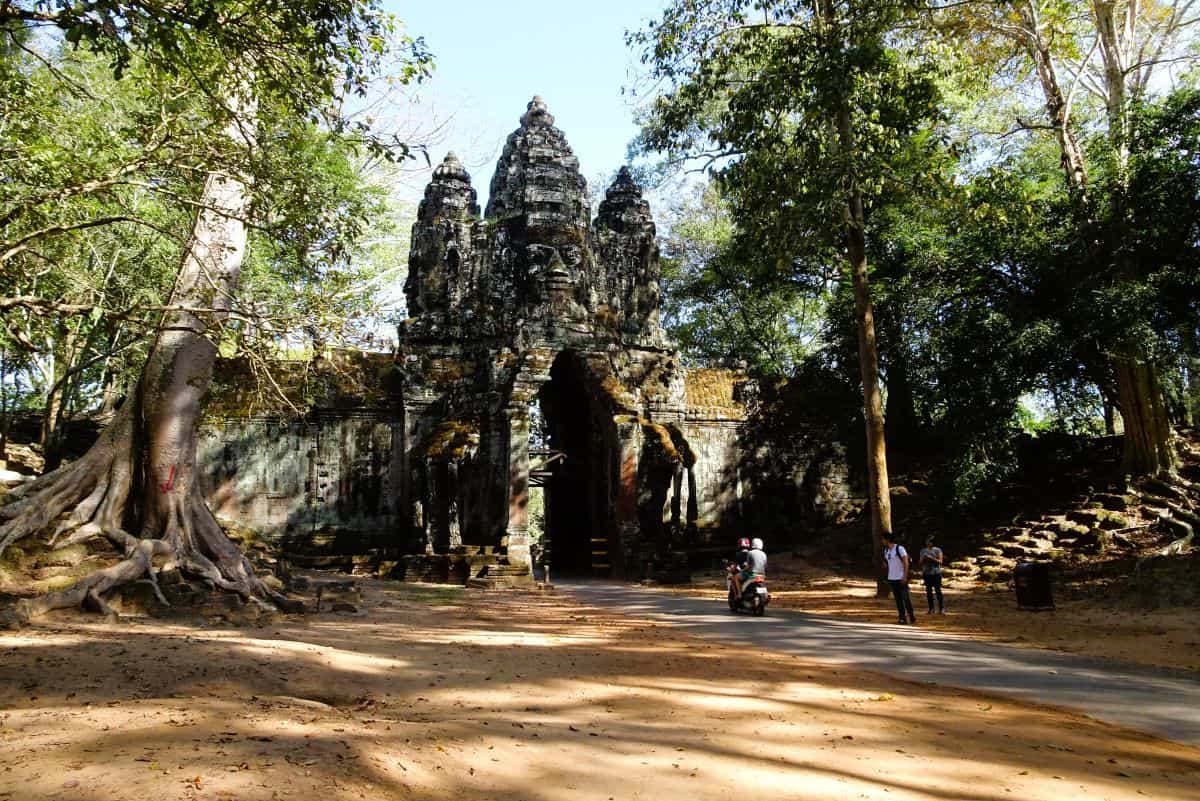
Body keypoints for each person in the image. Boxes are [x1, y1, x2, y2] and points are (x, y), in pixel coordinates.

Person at [882, 532, 916, 624]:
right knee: (898, 599)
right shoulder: (886, 550)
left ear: (887, 539)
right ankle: (902, 617)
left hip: (900, 577)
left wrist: (904, 576)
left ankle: (911, 615)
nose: (882, 541)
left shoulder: (899, 548)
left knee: (905, 598)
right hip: (892, 578)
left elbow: (906, 562)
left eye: (883, 539)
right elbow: (888, 562)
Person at [918, 535, 945, 614]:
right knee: (928, 591)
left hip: (936, 572)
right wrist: (924, 559)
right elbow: (920, 562)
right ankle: (931, 608)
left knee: (938, 590)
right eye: (927, 541)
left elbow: (940, 562)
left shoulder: (938, 550)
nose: (927, 543)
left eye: (929, 541)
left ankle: (941, 608)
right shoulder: (923, 551)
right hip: (926, 573)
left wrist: (931, 558)